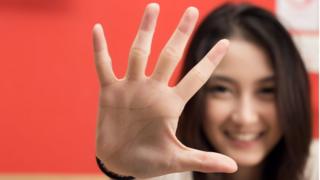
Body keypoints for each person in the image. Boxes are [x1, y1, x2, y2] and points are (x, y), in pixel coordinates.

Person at [92, 2, 318, 180]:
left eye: (268, 90)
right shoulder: (164, 173)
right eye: (222, 89)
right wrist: (121, 172)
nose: (245, 117)